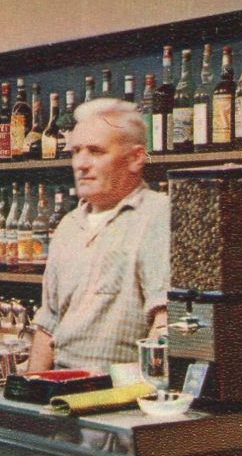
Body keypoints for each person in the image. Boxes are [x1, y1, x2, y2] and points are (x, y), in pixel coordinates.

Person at [28, 98, 170, 373]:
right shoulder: (69, 225)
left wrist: (145, 395)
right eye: (76, 151)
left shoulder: (157, 215)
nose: (81, 164)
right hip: (60, 389)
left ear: (136, 158)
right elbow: (48, 323)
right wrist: (31, 391)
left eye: (95, 151)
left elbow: (164, 321)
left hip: (117, 396)